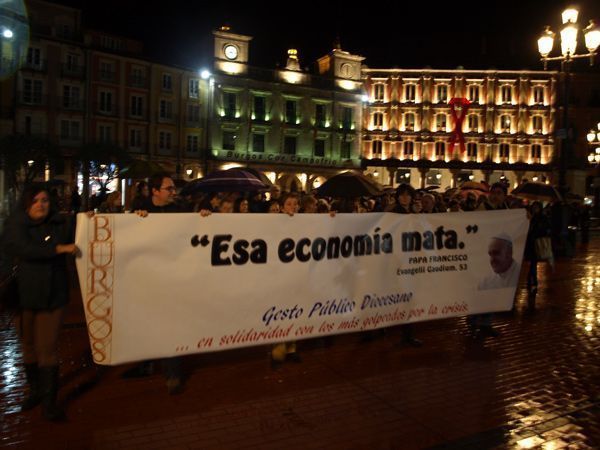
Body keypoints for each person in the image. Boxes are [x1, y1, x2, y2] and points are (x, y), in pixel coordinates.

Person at [1, 184, 78, 421]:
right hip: (24, 296)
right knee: (28, 347)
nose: (40, 205)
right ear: (26, 203)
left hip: (52, 295)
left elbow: (88, 227)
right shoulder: (16, 223)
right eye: (35, 200)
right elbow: (20, 247)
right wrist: (57, 249)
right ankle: (35, 391)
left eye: (44, 200)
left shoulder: (59, 222)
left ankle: (49, 402)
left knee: (46, 348)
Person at [125, 172, 188, 394]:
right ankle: (146, 364)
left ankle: (172, 374)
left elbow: (193, 231)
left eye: (173, 189)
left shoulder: (180, 210)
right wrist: (135, 220)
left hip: (170, 277)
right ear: (155, 191)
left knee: (170, 324)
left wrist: (205, 216)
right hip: (147, 278)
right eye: (169, 188)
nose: (173, 192)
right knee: (146, 323)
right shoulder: (141, 209)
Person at [523, 202, 551, 302]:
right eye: (534, 207)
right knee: (531, 264)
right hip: (530, 244)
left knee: (533, 264)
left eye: (537, 207)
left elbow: (545, 229)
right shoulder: (531, 217)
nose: (535, 209)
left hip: (537, 243)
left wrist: (536, 231)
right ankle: (530, 281)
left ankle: (533, 282)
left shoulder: (542, 218)